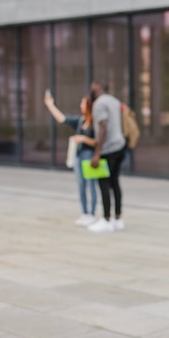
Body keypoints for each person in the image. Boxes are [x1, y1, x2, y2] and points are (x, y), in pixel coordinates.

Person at [44, 90, 98, 227]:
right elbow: (62, 119)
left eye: (83, 103)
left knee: (92, 185)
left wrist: (83, 138)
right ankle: (84, 213)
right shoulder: (80, 121)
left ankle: (92, 214)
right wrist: (50, 105)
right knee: (81, 185)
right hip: (79, 157)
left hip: (90, 157)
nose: (81, 105)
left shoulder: (95, 123)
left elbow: (98, 142)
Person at [86, 81, 126, 233]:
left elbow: (103, 126)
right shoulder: (114, 100)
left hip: (108, 149)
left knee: (103, 183)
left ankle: (106, 220)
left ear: (98, 88)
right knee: (115, 182)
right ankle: (118, 218)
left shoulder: (99, 104)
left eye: (93, 87)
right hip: (120, 146)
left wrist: (97, 153)